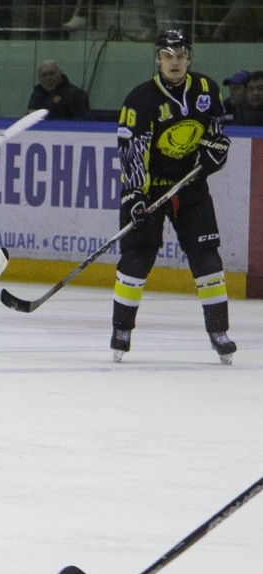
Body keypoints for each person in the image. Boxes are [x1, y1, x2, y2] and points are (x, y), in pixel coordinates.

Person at [113, 30, 235, 364]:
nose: (175, 62)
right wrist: (134, 196)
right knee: (137, 257)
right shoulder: (141, 99)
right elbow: (132, 152)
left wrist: (216, 152)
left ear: (188, 58)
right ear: (158, 59)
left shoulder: (206, 89)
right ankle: (121, 330)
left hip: (189, 186)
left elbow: (215, 134)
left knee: (207, 256)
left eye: (180, 55)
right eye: (168, 56)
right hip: (150, 188)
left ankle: (219, 332)